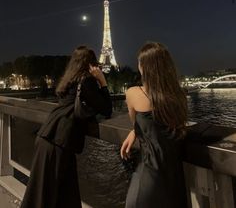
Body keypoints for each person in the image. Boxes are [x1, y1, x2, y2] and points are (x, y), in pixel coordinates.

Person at [21, 46, 112, 208]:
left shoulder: (69, 79)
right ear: (90, 64)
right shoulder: (87, 81)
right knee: (53, 196)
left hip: (49, 136)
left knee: (50, 193)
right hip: (59, 142)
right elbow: (107, 109)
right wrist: (103, 82)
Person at [120, 42, 188, 208]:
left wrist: (135, 131)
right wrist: (135, 132)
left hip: (148, 178)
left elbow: (138, 121)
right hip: (174, 181)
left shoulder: (133, 93)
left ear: (144, 67)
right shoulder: (179, 96)